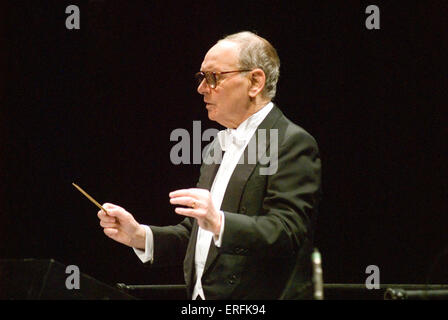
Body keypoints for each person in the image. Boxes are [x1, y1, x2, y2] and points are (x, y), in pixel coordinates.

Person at [97, 31, 322, 300]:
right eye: (201, 78)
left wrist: (219, 222)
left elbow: (287, 232)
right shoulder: (218, 144)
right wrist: (139, 236)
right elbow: (198, 233)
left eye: (213, 78)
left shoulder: (290, 142)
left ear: (255, 82)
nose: (201, 88)